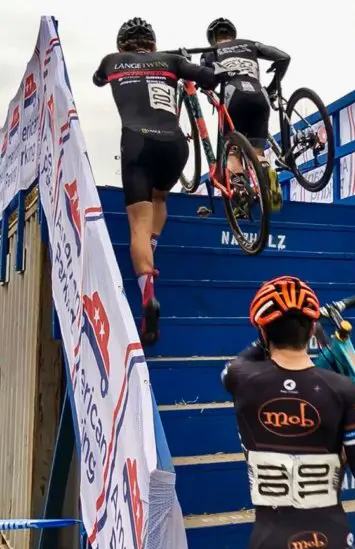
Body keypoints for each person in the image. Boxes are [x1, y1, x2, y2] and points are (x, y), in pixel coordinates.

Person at [221, 276, 355, 549]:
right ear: (311, 330)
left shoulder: (240, 379)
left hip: (272, 548)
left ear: (264, 330)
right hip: (331, 543)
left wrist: (266, 331)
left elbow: (238, 361)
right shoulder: (343, 389)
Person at [93, 18, 229, 345]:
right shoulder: (170, 60)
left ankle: (147, 293)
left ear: (121, 45)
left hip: (137, 142)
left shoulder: (112, 61)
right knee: (160, 199)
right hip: (174, 145)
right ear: (152, 44)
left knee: (137, 224)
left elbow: (98, 80)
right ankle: (152, 250)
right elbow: (211, 77)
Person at [202, 17, 290, 213]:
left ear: (213, 38)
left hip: (234, 97)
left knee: (232, 151)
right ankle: (266, 170)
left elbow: (207, 80)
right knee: (257, 152)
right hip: (260, 97)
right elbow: (284, 57)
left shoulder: (211, 52)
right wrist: (274, 86)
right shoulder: (250, 44)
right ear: (232, 34)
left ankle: (241, 197)